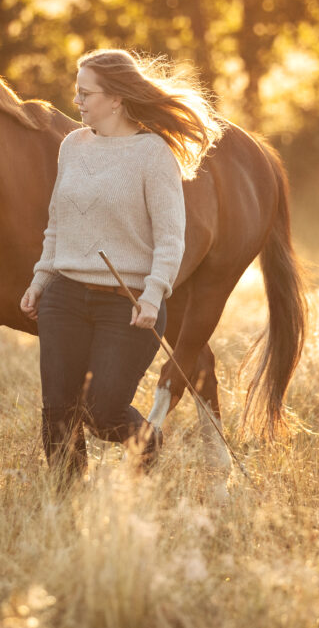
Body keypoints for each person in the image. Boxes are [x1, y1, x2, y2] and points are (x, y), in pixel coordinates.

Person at [19, 49, 223, 483]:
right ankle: (64, 504)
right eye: (77, 91)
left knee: (104, 410)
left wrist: (153, 294)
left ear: (115, 99)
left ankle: (148, 443)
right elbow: (57, 222)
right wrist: (41, 280)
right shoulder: (72, 146)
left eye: (85, 93)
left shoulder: (153, 154)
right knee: (58, 410)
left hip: (126, 304)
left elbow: (171, 237)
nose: (77, 101)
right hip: (65, 296)